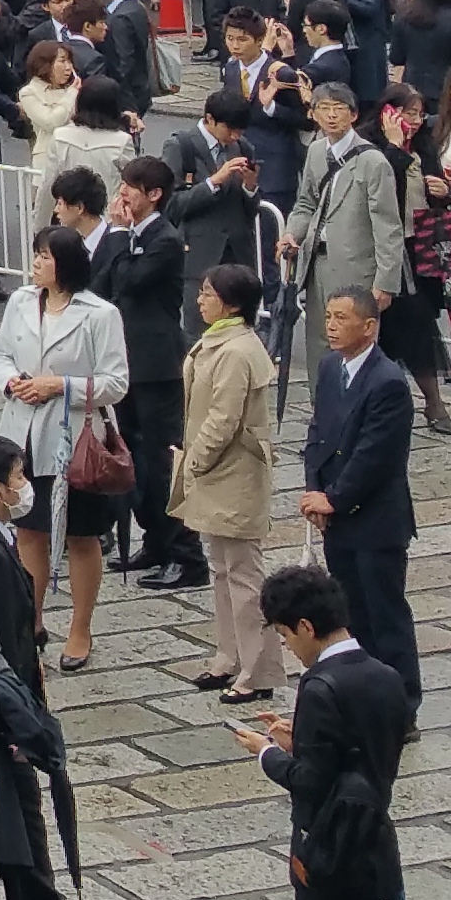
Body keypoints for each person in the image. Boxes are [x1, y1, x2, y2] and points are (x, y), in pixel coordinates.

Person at [0, 226, 125, 669]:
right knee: (29, 530)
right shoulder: (21, 301)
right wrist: (12, 381)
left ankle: (81, 628)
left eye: (45, 256)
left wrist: (60, 385)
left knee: (81, 534)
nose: (37, 263)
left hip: (74, 438)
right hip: (22, 432)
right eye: (37, 254)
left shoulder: (99, 314)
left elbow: (116, 382)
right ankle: (33, 619)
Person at [236, 567, 403, 900]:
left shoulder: (318, 687)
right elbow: (360, 747)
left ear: (306, 627)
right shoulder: (386, 676)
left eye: (285, 635)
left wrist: (266, 752)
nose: (288, 646)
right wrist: (302, 740)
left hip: (328, 849)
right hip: (373, 843)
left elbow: (310, 780)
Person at [295, 290, 417, 692]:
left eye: (341, 318)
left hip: (375, 520)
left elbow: (375, 455)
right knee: (349, 616)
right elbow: (318, 433)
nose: (331, 326)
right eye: (329, 316)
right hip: (336, 519)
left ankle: (402, 699)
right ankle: (360, 696)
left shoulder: (388, 382)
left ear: (368, 327)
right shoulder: (331, 367)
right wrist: (315, 490)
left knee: (385, 616)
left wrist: (335, 498)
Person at [178, 265, 283, 701]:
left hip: (234, 470)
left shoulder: (237, 350)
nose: (200, 300)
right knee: (221, 570)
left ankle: (258, 671)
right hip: (215, 471)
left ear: (232, 303)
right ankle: (229, 655)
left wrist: (195, 460)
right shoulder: (217, 341)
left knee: (243, 575)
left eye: (208, 294)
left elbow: (224, 417)